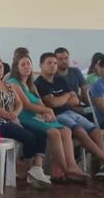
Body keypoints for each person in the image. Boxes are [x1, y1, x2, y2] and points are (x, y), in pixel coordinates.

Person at [33, 52, 104, 179]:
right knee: (80, 131)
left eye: (54, 63)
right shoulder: (40, 83)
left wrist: (63, 98)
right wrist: (66, 96)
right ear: (41, 65)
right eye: (49, 63)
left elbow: (75, 99)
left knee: (96, 131)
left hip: (71, 111)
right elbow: (52, 103)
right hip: (57, 115)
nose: (53, 65)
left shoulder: (60, 79)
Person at [7, 54, 87, 184]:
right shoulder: (14, 83)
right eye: (23, 64)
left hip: (35, 116)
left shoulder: (30, 84)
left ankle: (72, 165)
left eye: (28, 63)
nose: (27, 67)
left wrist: (45, 112)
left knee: (66, 130)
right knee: (54, 132)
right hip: (24, 117)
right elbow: (27, 105)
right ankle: (66, 170)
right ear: (16, 68)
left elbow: (40, 103)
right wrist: (48, 110)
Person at [0, 56, 48, 184]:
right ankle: (26, 170)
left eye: (1, 67)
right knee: (29, 137)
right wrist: (10, 116)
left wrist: (14, 114)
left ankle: (36, 168)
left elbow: (19, 104)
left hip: (10, 120)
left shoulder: (7, 84)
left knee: (41, 133)